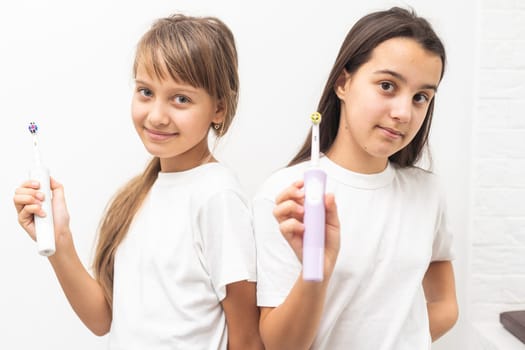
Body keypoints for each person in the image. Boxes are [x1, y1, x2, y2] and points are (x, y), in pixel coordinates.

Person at [14, 14, 263, 350]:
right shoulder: (137, 195)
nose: (157, 115)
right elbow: (103, 320)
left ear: (218, 108)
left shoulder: (216, 196)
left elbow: (247, 339)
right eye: (146, 92)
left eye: (181, 99)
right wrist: (58, 240)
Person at [253, 7, 458, 350]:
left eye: (421, 97)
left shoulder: (427, 192)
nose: (403, 113)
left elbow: (444, 305)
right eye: (387, 86)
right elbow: (281, 346)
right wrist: (316, 270)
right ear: (343, 83)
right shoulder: (287, 195)